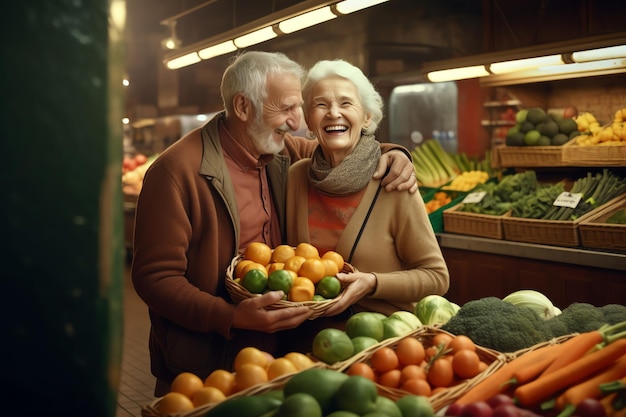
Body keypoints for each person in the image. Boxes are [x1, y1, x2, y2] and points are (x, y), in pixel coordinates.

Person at [131, 51, 418, 396]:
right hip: (205, 364)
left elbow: (342, 148)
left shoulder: (284, 152)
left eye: (299, 107)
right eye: (286, 109)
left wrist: (396, 153)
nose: (297, 121)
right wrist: (231, 316)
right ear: (242, 107)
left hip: (280, 358)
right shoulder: (176, 172)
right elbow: (154, 279)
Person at [286, 59, 450, 323]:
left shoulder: (393, 181)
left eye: (346, 103)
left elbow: (436, 277)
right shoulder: (296, 177)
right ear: (308, 119)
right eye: (321, 104)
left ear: (366, 117)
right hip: (308, 338)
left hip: (382, 341)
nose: (333, 113)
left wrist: (373, 282)